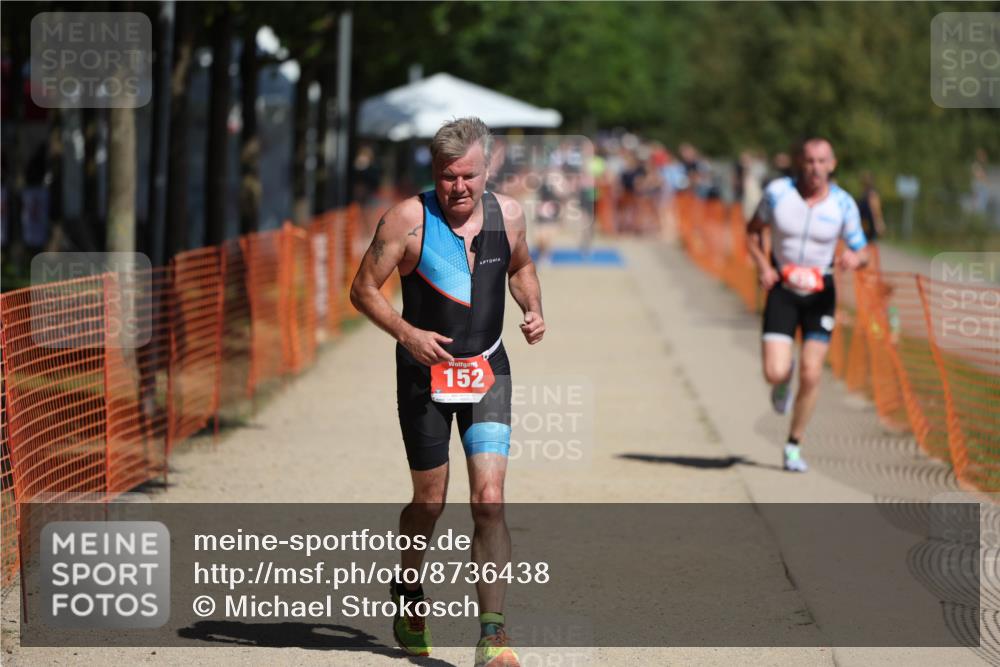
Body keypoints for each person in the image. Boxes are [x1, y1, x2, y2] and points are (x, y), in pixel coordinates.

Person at [350, 117, 545, 667]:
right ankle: (409, 594)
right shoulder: (408, 220)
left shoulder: (509, 215)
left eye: (467, 176)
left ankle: (493, 634)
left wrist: (532, 308)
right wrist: (408, 334)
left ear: (488, 169)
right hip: (423, 375)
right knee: (430, 502)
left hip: (487, 369)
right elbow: (362, 290)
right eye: (446, 177)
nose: (457, 188)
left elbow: (522, 267)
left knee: (488, 501)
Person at [745, 137, 869, 472]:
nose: (815, 168)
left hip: (821, 293)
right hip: (783, 289)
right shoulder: (777, 193)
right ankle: (783, 380)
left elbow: (862, 250)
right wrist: (764, 266)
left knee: (813, 374)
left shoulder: (843, 204)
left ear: (832, 164)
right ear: (801, 162)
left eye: (822, 161)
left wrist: (855, 258)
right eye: (810, 161)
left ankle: (793, 445)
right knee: (774, 371)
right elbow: (752, 231)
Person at [856, 171, 886, 243]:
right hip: (863, 223)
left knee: (868, 244)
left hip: (868, 224)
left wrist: (879, 223)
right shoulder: (864, 193)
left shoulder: (872, 194)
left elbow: (876, 210)